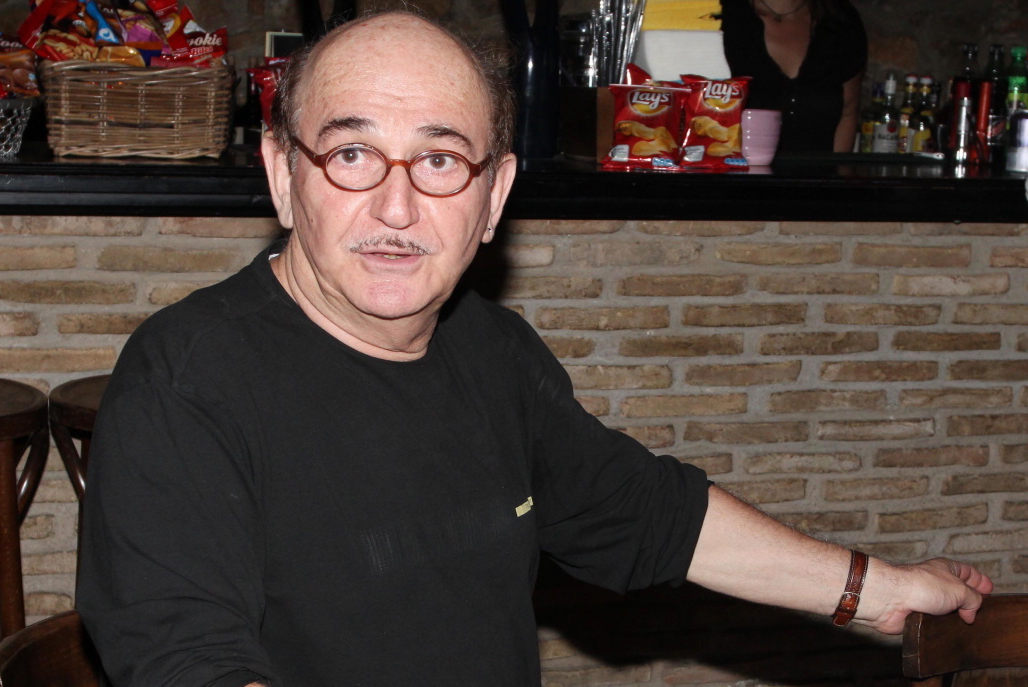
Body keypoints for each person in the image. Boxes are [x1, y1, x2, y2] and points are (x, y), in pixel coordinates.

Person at [75, 10, 992, 687]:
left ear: (495, 196)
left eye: (441, 161)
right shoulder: (185, 383)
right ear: (284, 176)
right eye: (351, 154)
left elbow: (644, 511)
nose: (396, 207)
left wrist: (880, 589)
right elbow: (187, 664)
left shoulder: (491, 350)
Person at [721, 0, 867, 152]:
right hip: (731, 166)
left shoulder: (840, 20)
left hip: (818, 167)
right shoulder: (718, 17)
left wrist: (838, 165)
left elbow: (847, 113)